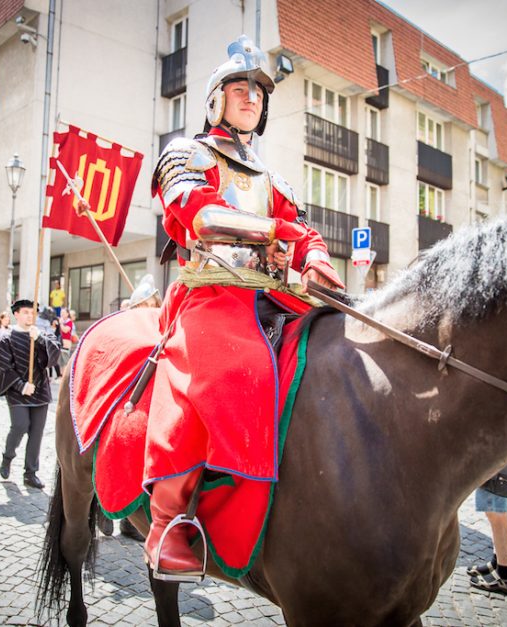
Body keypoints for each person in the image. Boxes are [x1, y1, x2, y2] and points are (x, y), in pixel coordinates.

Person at [144, 35, 344, 580]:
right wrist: (277, 231)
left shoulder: (271, 177)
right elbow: (203, 219)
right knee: (229, 366)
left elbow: (303, 231)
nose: (251, 97)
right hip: (212, 291)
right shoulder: (186, 154)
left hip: (272, 293)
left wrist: (317, 259)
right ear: (216, 99)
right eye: (240, 88)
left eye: (258, 91)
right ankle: (169, 522)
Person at [0, 299, 60, 489]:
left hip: (40, 391)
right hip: (17, 391)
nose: (29, 316)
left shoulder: (42, 335)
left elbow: (54, 357)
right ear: (16, 314)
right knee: (20, 426)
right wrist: (21, 385)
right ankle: (8, 456)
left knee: (37, 433)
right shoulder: (5, 339)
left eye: (32, 313)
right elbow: (3, 367)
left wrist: (39, 339)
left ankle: (30, 473)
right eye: (25, 312)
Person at [467, 485, 507, 595]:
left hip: (497, 472)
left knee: (496, 512)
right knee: (497, 511)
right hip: (499, 472)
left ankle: (504, 574)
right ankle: (497, 563)